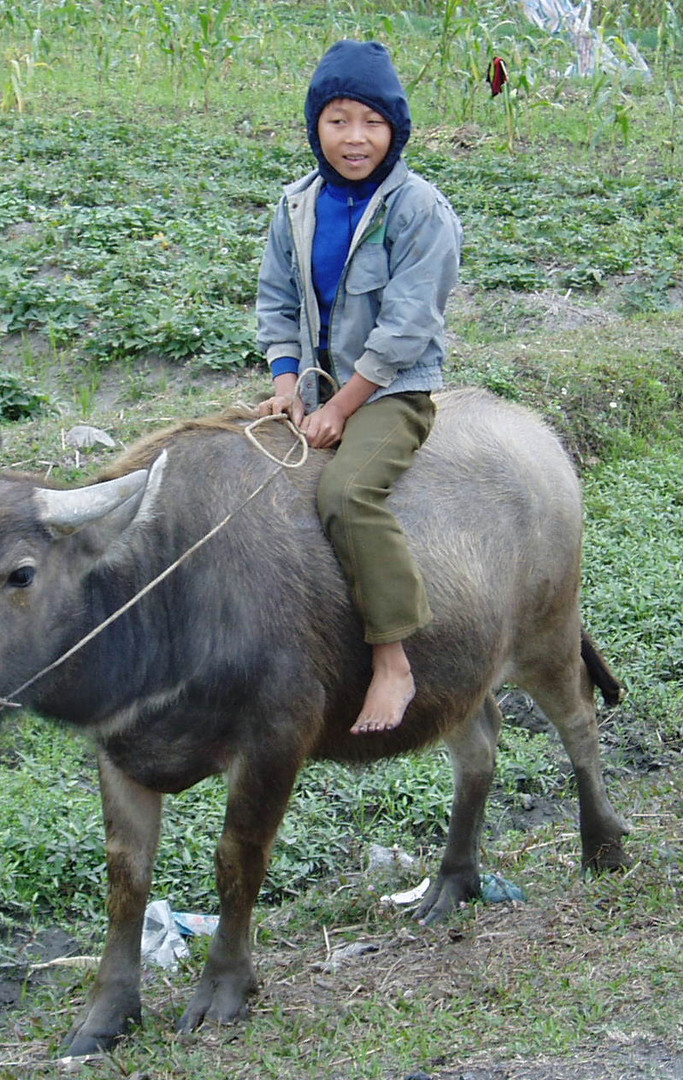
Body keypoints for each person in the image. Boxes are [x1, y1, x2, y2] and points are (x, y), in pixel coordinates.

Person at [254, 39, 463, 735]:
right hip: (317, 387)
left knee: (345, 494)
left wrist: (343, 407)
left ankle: (391, 658)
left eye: (372, 122)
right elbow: (277, 301)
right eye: (338, 119)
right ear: (315, 125)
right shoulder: (295, 205)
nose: (354, 138)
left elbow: (407, 327)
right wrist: (286, 382)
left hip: (392, 391)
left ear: (395, 130)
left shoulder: (418, 210)